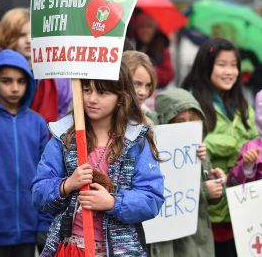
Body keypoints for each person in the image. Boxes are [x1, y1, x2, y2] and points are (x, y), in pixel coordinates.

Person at [31, 62, 165, 256]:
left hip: (121, 251)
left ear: (120, 97)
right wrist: (66, 185)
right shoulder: (64, 137)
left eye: (102, 93)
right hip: (71, 249)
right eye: (87, 90)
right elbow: (38, 193)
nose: (92, 99)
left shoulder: (136, 141)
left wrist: (112, 202)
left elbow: (152, 199)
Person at [0, 50, 50, 257]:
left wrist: (44, 223)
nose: (15, 88)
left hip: (29, 229)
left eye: (21, 81)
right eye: (7, 81)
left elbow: (47, 177)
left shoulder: (38, 123)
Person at [181, 38, 258, 257]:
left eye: (234, 65)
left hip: (240, 210)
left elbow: (256, 144)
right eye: (222, 64)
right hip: (205, 212)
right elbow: (186, 149)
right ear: (206, 66)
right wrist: (233, 146)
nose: (230, 71)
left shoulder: (243, 106)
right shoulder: (189, 103)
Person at [149, 88, 226, 257]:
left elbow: (210, 199)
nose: (187, 125)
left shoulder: (200, 151)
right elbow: (164, 194)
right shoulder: (153, 154)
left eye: (193, 120)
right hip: (167, 243)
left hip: (198, 240)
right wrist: (205, 190)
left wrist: (216, 184)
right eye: (180, 121)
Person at [0, 7, 72, 123]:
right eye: (21, 35)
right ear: (7, 37)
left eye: (34, 34)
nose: (29, 40)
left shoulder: (57, 74)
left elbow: (64, 110)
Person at [127, 12, 174, 89]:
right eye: (141, 26)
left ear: (155, 29)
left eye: (149, 26)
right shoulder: (131, 46)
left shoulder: (163, 49)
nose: (145, 30)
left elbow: (168, 74)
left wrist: (146, 70)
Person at [122, 50, 158, 123]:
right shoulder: (103, 118)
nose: (143, 92)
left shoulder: (148, 122)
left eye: (148, 85)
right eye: (136, 84)